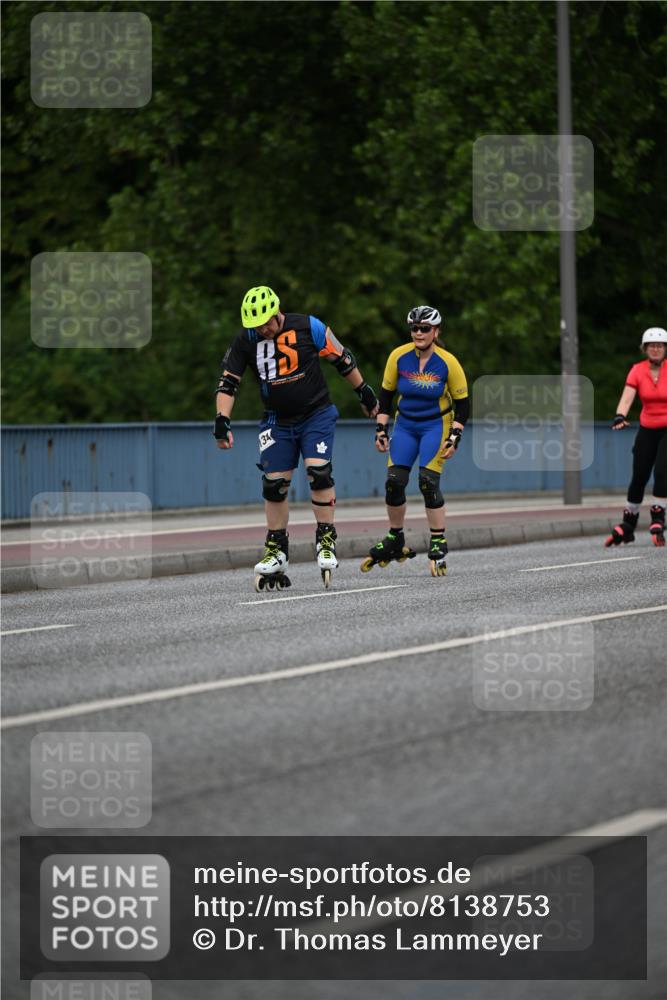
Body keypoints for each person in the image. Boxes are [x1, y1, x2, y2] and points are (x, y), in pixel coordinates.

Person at [215, 285, 379, 590]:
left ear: (277, 312)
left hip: (316, 414)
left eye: (266, 323)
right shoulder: (245, 340)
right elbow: (228, 383)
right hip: (276, 421)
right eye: (256, 326)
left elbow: (342, 359)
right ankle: (276, 549)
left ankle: (325, 539)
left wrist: (363, 391)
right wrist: (222, 420)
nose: (262, 330)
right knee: (274, 484)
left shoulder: (308, 326)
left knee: (319, 472)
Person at [361, 305, 469, 577]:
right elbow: (385, 397)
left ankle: (438, 539)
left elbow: (463, 405)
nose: (418, 333)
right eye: (414, 328)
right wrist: (381, 429)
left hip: (436, 425)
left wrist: (454, 437)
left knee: (427, 482)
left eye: (424, 328)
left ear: (436, 331)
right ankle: (395, 538)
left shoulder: (448, 362)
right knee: (394, 482)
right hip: (406, 425)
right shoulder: (398, 356)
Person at [605, 326, 667, 548]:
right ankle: (629, 522)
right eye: (652, 346)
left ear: (665, 349)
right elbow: (627, 397)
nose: (656, 349)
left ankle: (658, 516)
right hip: (647, 428)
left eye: (660, 346)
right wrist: (619, 415)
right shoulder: (637, 371)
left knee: (662, 470)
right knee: (639, 474)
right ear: (645, 349)